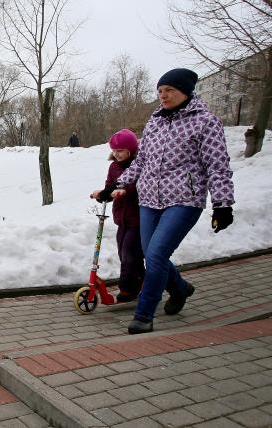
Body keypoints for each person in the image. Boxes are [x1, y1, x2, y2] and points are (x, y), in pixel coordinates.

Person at [111, 68, 235, 334]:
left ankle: (144, 314)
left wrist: (223, 204)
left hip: (184, 199)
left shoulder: (205, 122)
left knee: (156, 255)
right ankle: (180, 288)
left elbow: (217, 165)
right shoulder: (154, 121)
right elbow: (141, 162)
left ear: (186, 91)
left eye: (169, 90)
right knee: (150, 254)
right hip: (148, 200)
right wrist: (117, 184)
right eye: (160, 91)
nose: (163, 96)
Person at [90, 129, 144, 303]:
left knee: (129, 251)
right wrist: (102, 195)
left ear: (130, 149)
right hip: (122, 219)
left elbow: (137, 185)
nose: (116, 154)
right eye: (114, 150)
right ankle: (142, 280)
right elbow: (109, 186)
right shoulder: (113, 167)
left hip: (138, 218)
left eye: (120, 150)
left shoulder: (138, 164)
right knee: (124, 253)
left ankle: (128, 288)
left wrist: (124, 191)